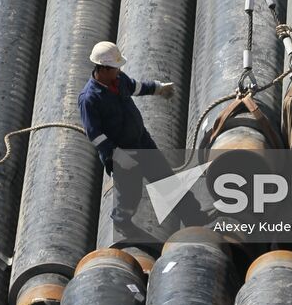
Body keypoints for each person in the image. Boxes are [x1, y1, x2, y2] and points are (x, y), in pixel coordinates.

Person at [78, 41, 200, 236]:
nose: (119, 71)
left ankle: (194, 215)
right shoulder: (89, 98)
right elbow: (95, 135)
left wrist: (157, 88)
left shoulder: (118, 79)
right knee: (129, 196)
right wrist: (116, 156)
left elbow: (135, 87)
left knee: (165, 179)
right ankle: (121, 222)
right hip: (122, 154)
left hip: (142, 141)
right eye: (115, 68)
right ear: (103, 68)